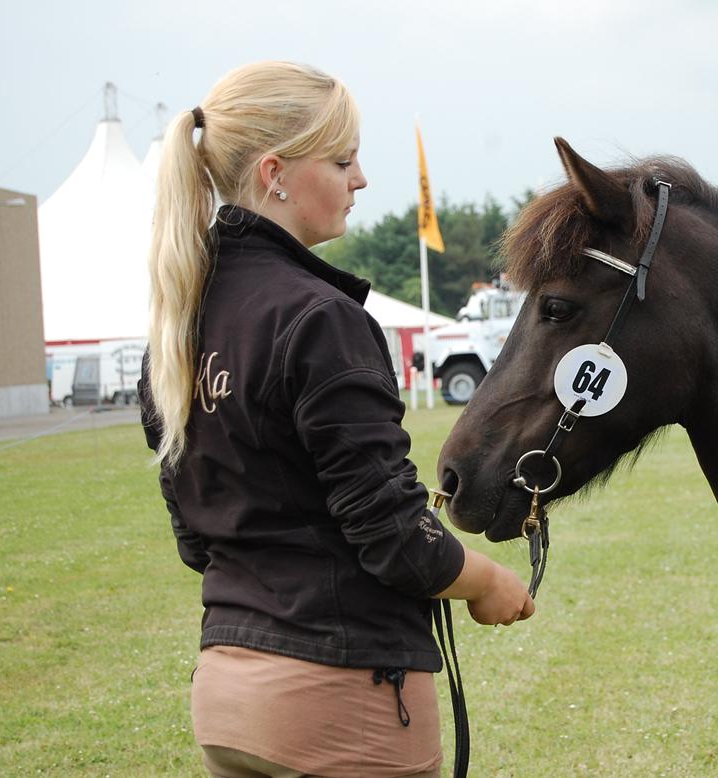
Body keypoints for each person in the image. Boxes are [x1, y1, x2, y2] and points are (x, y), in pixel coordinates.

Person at [138, 61, 534, 778]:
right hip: (342, 703)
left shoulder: (179, 325)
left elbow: (197, 540)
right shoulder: (321, 319)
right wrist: (486, 580)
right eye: (344, 160)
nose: (361, 180)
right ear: (274, 173)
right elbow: (395, 539)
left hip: (229, 695)